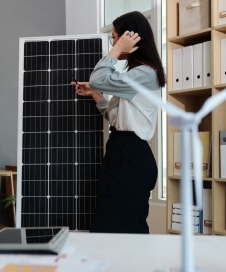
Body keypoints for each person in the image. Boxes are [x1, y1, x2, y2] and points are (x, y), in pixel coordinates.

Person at [72, 11, 166, 234]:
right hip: (123, 151)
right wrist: (95, 94)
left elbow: (98, 78)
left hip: (130, 154)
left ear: (130, 38)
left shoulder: (145, 73)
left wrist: (116, 50)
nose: (113, 42)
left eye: (115, 37)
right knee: (114, 223)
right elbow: (116, 117)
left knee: (120, 226)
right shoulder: (136, 74)